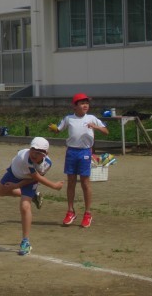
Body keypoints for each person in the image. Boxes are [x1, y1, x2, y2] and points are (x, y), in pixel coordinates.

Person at [0, 136, 64, 256]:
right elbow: (36, 176)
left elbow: (34, 179)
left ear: (45, 154)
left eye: (38, 152)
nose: (34, 154)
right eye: (33, 150)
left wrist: (16, 185)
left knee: (24, 207)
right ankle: (33, 196)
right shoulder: (23, 157)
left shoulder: (47, 164)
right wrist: (55, 186)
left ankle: (25, 241)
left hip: (29, 180)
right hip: (14, 173)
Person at [48, 93, 108, 228]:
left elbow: (106, 131)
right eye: (82, 103)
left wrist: (96, 127)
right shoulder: (68, 118)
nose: (85, 105)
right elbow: (59, 129)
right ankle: (70, 211)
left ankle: (87, 213)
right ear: (74, 106)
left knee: (85, 183)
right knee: (71, 182)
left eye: (87, 103)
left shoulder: (92, 118)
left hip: (85, 152)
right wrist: (54, 129)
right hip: (71, 152)